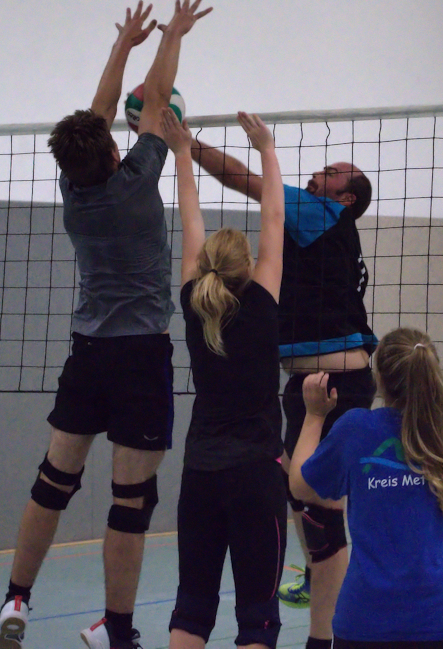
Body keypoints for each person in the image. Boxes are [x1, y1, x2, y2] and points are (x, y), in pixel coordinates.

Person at [0, 0, 211, 649]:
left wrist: (122, 45)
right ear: (115, 152)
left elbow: (100, 113)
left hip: (87, 353)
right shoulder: (136, 180)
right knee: (130, 502)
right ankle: (116, 630)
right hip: (140, 356)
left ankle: (14, 601)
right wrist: (170, 34)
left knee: (53, 482)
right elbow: (157, 98)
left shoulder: (73, 189)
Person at [191, 131, 377, 648]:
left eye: (331, 172)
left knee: (319, 508)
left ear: (344, 197)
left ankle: (325, 637)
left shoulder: (320, 212)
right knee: (300, 499)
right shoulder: (320, 223)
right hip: (306, 384)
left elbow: (243, 179)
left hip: (336, 385)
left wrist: (187, 146)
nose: (319, 172)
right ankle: (323, 587)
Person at [165, 108, 287, 649]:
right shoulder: (261, 302)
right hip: (256, 474)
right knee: (258, 615)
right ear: (248, 266)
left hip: (201, 473)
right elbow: (275, 218)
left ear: (205, 266)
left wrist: (182, 153)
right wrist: (266, 148)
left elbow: (189, 217)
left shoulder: (194, 301)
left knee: (192, 607)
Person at [289, 328, 443, 649]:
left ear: (379, 379)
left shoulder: (355, 429)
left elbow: (300, 486)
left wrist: (314, 415)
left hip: (367, 622)